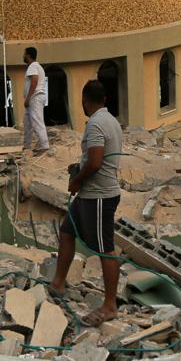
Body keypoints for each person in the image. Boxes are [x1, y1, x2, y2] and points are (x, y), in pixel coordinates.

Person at [49, 80, 121, 326]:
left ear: (85, 100)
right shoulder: (110, 120)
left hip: (99, 195)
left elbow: (96, 162)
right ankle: (58, 283)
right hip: (89, 194)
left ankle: (110, 305)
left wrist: (77, 180)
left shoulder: (96, 124)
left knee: (104, 249)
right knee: (67, 231)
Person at [21, 47, 49, 155]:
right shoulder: (38, 66)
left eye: (24, 53)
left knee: (37, 121)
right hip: (35, 97)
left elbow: (34, 81)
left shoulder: (33, 66)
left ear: (28, 55)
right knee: (27, 122)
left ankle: (44, 146)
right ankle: (27, 145)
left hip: (35, 98)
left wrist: (28, 98)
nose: (23, 56)